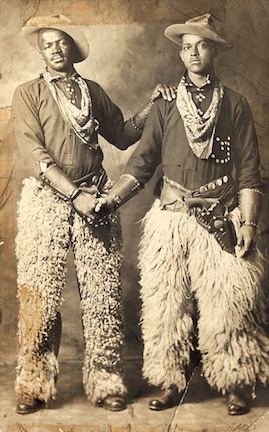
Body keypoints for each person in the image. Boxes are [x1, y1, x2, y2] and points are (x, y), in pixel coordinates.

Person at [96, 14, 269, 415]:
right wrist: (111, 200)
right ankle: (169, 381)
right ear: (180, 52)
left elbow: (248, 170)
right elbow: (141, 164)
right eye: (187, 46)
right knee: (164, 304)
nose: (193, 52)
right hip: (170, 218)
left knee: (229, 303)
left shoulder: (236, 104)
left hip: (221, 216)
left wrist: (248, 223)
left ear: (214, 51)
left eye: (202, 45)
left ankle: (236, 382)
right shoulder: (165, 105)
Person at [12, 14, 176, 414]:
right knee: (40, 295)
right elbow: (35, 154)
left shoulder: (93, 91)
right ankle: (33, 383)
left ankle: (106, 382)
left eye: (61, 42)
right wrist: (72, 196)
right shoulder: (27, 93)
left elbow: (121, 134)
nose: (55, 49)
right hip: (46, 200)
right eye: (47, 43)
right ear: (40, 50)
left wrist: (152, 105)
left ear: (72, 48)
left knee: (102, 294)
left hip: (97, 196)